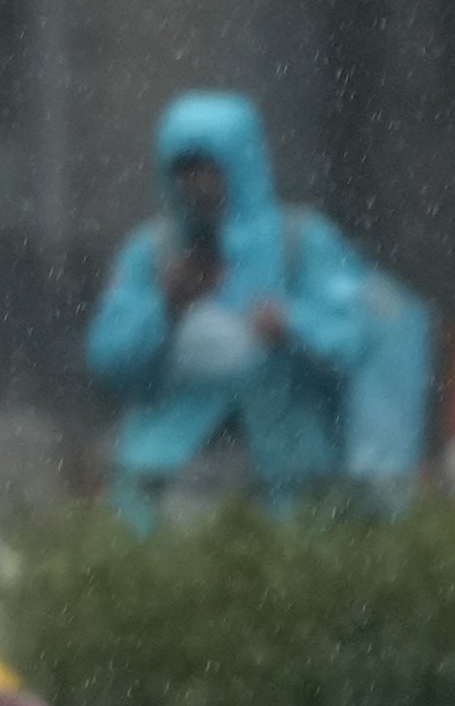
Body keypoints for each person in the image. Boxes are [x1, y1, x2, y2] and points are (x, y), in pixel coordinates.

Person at [85, 91, 367, 526]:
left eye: (209, 168)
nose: (196, 185)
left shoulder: (302, 242)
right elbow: (109, 361)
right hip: (174, 473)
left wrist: (291, 323)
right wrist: (166, 308)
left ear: (241, 163)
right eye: (184, 171)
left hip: (287, 474)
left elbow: (357, 339)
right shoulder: (150, 254)